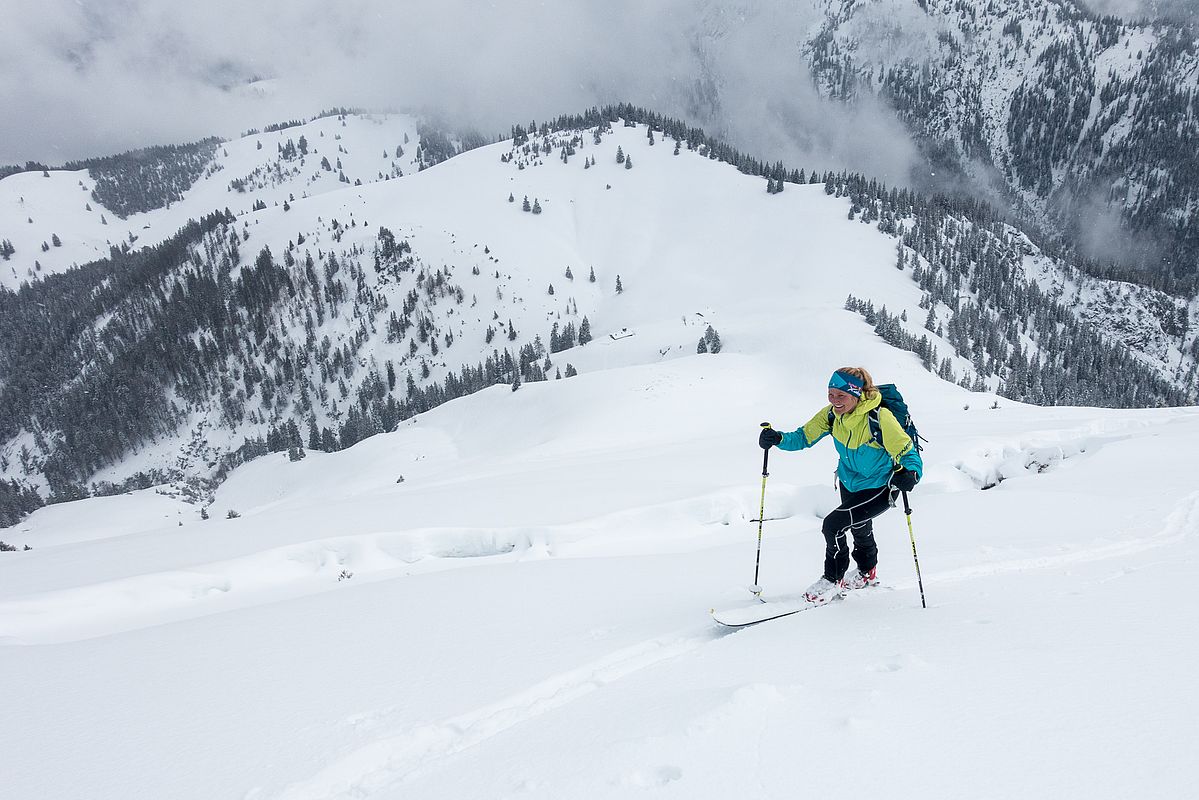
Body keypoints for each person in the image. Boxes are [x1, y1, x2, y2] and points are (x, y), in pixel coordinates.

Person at [759, 367, 922, 604]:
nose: (835, 401)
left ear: (857, 394)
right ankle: (867, 572)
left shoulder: (879, 417)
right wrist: (778, 439)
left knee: (833, 525)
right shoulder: (832, 415)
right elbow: (803, 437)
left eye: (841, 396)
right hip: (849, 481)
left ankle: (832, 579)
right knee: (859, 526)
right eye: (831, 394)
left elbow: (907, 451)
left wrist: (912, 473)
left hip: (880, 485)